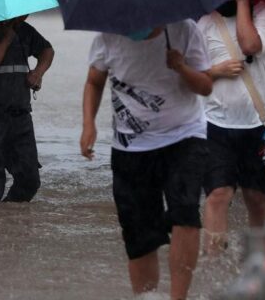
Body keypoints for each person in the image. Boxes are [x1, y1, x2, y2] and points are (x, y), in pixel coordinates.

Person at [80, 22, 212, 299]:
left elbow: (205, 86)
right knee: (139, 236)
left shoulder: (185, 30)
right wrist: (88, 124)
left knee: (185, 212)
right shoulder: (108, 35)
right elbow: (94, 81)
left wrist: (180, 67)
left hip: (184, 135)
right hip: (131, 147)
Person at [196, 0, 265, 254]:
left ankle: (264, 265)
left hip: (260, 126)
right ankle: (216, 268)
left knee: (257, 199)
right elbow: (191, 76)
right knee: (217, 196)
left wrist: (243, 1)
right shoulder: (206, 22)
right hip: (215, 124)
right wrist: (215, 71)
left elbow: (250, 46)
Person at [0, 16, 54, 202]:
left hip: (20, 116)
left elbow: (47, 50)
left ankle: (10, 223)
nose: (26, 15)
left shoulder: (25, 30)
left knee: (29, 180)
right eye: (23, 13)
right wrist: (7, 38)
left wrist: (38, 73)